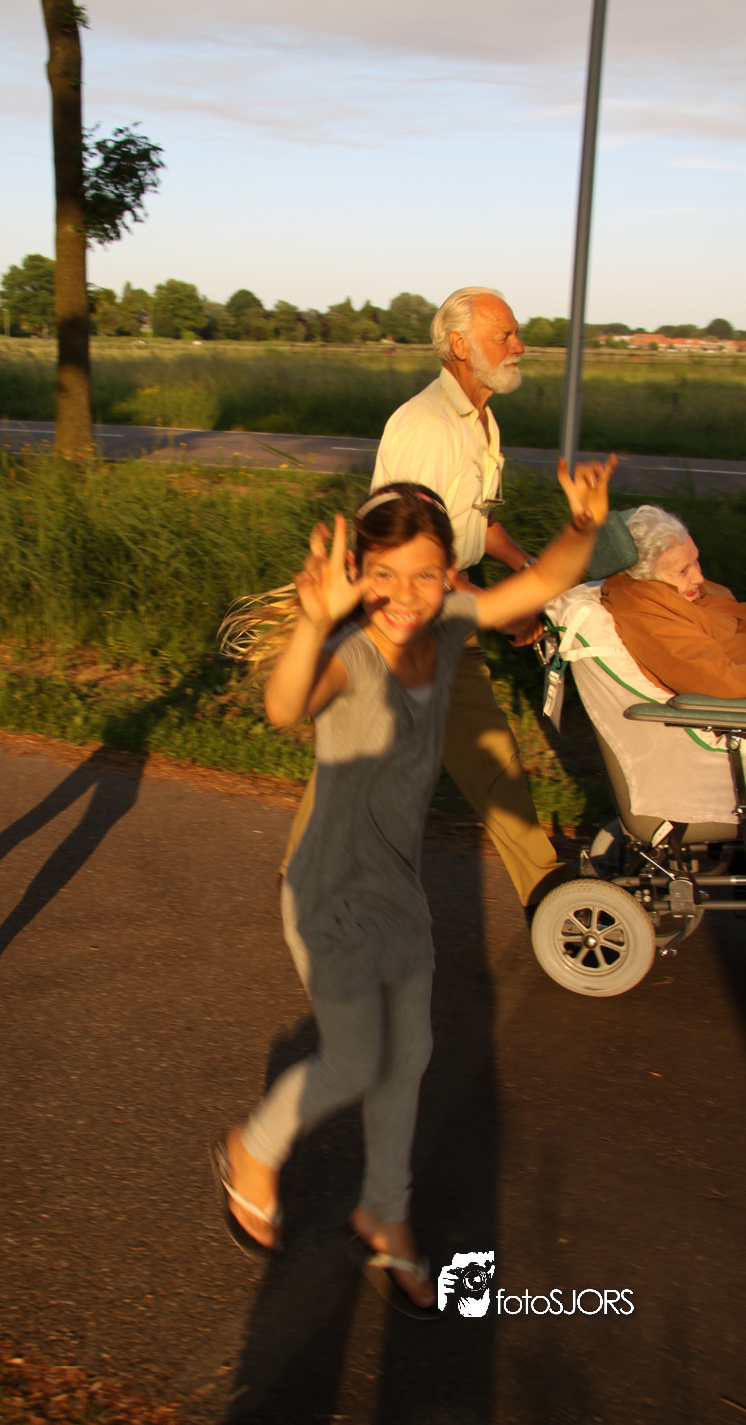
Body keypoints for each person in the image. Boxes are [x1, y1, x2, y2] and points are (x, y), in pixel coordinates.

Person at [214, 456, 614, 1315]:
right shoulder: (351, 655)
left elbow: (543, 580)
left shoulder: (453, 624)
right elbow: (286, 704)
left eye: (425, 575)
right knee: (357, 1057)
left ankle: (384, 1213)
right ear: (359, 574)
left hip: (397, 885)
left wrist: (583, 525)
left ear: (450, 575)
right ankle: (253, 1147)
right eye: (385, 575)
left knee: (411, 1056)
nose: (405, 595)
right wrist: (312, 626)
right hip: (328, 891)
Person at [282, 286, 570, 916]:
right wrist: (500, 608)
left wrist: (529, 570)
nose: (519, 346)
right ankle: (548, 889)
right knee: (452, 749)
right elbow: (406, 549)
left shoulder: (480, 422)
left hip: (441, 605)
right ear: (461, 345)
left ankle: (546, 886)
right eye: (505, 335)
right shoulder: (427, 427)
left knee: (393, 747)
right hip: (409, 616)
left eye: (516, 334)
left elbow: (477, 521)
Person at [601, 505, 746, 699]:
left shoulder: (677, 591)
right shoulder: (646, 615)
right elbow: (723, 681)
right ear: (645, 577)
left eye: (696, 561)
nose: (699, 578)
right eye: (683, 571)